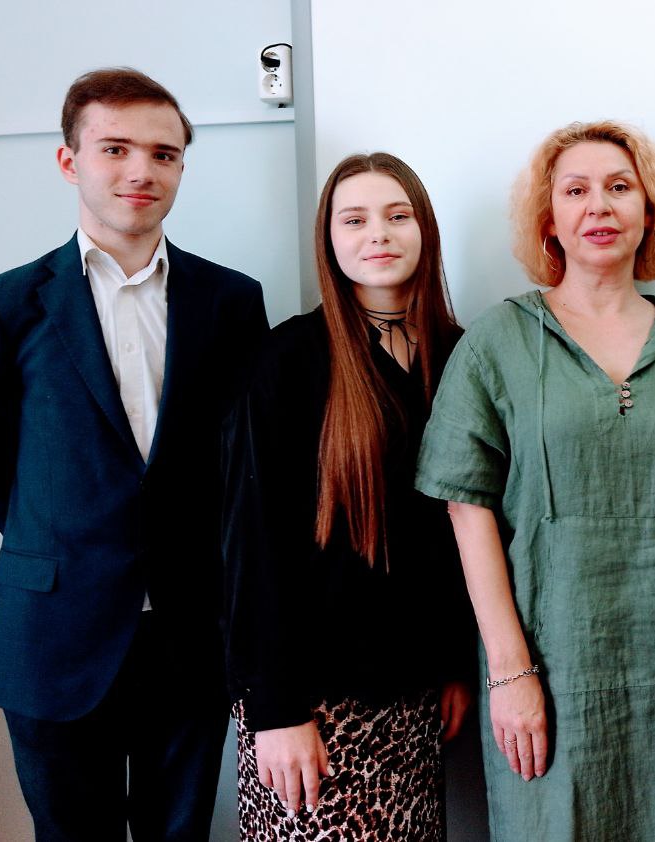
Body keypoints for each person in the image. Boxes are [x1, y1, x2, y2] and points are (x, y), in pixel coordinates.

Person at [0, 67, 268, 840]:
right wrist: (70, 543)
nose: (140, 170)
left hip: (190, 635)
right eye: (115, 148)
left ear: (181, 167)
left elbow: (242, 472)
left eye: (164, 154)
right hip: (53, 635)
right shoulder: (1, 306)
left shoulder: (231, 302)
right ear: (70, 161)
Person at [414, 120, 655, 840]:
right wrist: (510, 672)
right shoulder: (499, 341)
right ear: (548, 219)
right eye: (576, 190)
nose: (599, 206)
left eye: (620, 188)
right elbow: (466, 510)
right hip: (549, 667)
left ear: (649, 211)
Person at [222, 152, 474, 840]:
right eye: (354, 219)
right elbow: (253, 543)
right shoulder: (288, 359)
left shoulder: (460, 355)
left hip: (414, 692)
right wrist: (275, 709)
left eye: (398, 216)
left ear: (425, 230)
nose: (378, 234)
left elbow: (458, 534)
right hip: (311, 704)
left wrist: (454, 665)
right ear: (328, 240)